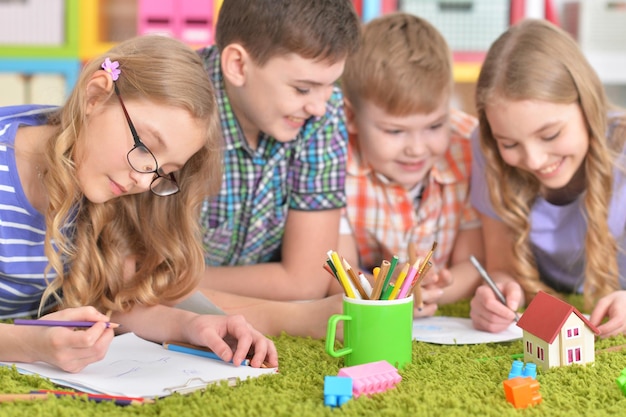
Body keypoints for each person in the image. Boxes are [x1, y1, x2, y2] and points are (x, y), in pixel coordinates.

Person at [0, 35, 277, 373]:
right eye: (146, 147)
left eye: (165, 171)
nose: (145, 181)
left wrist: (192, 325)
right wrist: (28, 345)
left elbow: (114, 305)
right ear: (96, 94)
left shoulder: (102, 184)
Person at [468, 19, 626, 337]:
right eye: (510, 144)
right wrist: (498, 292)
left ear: (588, 106)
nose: (535, 160)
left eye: (550, 134)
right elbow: (500, 267)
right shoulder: (486, 148)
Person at [196, 0, 361, 302]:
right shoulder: (177, 107)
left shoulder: (323, 111)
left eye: (330, 86)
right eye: (302, 89)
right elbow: (130, 275)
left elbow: (304, 283)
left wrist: (172, 284)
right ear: (238, 65)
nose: (319, 107)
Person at [337, 13, 483, 315]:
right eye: (395, 131)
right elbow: (341, 275)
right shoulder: (334, 159)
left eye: (434, 125)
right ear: (351, 117)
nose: (417, 149)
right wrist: (390, 293)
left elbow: (473, 263)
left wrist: (439, 292)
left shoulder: (468, 147)